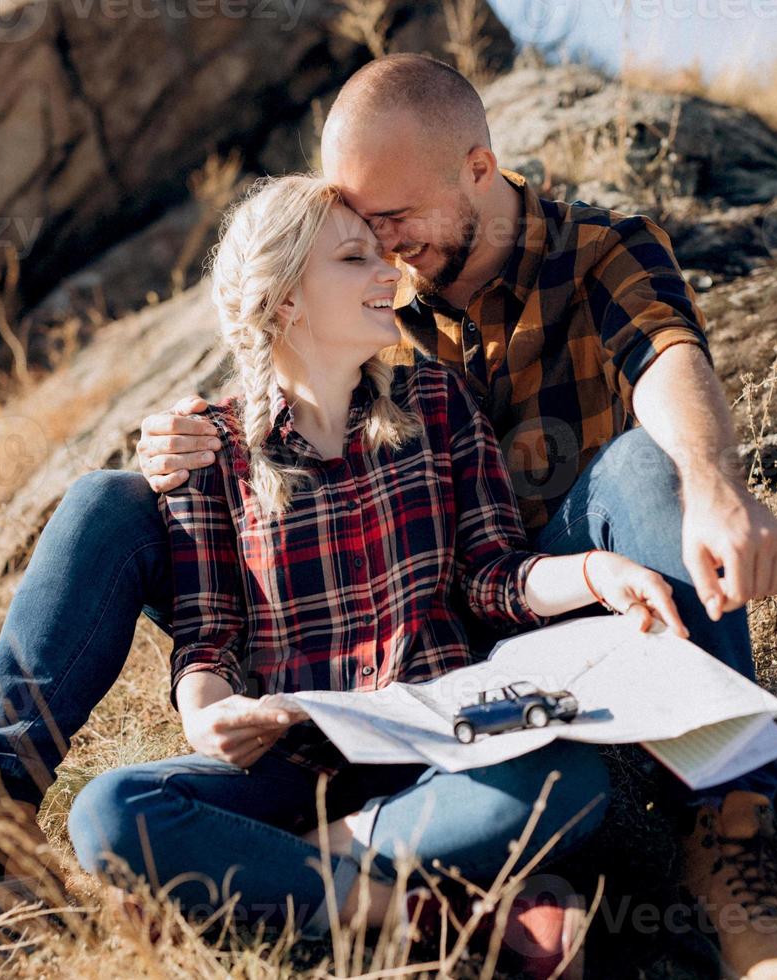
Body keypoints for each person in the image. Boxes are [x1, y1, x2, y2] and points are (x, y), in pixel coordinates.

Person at [0, 54, 777, 979]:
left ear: (477, 167)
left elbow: (651, 382)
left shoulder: (568, 274)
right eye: (358, 239)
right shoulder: (362, 328)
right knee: (108, 514)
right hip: (324, 718)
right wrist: (183, 500)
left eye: (392, 223)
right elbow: (217, 604)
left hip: (521, 643)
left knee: (647, 492)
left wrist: (702, 493)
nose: (386, 255)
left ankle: (727, 832)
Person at [66, 171, 689, 977]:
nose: (389, 272)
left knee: (566, 781)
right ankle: (437, 916)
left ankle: (283, 867)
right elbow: (208, 636)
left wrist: (595, 573)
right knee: (111, 812)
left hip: (442, 747)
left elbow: (490, 574)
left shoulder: (439, 400)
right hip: (295, 759)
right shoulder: (211, 448)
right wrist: (205, 711)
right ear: (285, 299)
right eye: (355, 258)